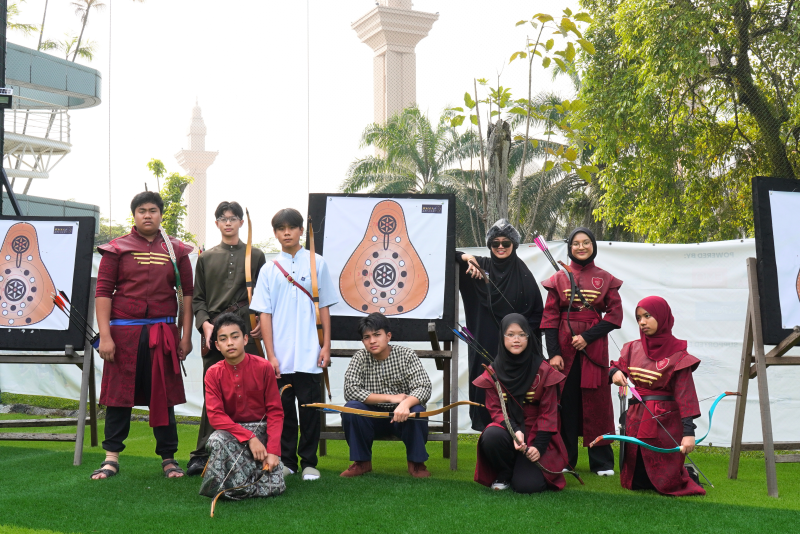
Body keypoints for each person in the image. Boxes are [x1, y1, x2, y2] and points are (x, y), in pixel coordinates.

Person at [91, 191, 193, 480]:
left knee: (163, 396)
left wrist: (185, 337)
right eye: (142, 211)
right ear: (134, 215)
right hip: (123, 336)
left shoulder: (177, 250)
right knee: (118, 397)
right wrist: (106, 336)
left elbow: (187, 294)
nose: (147, 215)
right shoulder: (116, 248)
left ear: (161, 214)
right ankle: (111, 458)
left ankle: (169, 459)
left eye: (153, 210)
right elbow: (103, 293)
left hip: (163, 334)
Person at [250, 208, 337, 481]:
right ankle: (287, 461)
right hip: (281, 355)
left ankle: (309, 462)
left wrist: (326, 346)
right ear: (275, 233)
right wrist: (271, 355)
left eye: (291, 227)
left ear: (301, 230)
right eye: (281, 228)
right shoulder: (268, 269)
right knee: (283, 411)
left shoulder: (317, 263)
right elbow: (265, 314)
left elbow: (324, 307)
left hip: (311, 351)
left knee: (310, 410)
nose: (286, 233)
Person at [187, 201, 267, 476]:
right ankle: (202, 453)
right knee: (214, 394)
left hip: (247, 331)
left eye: (233, 218)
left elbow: (263, 294)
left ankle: (257, 447)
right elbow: (198, 299)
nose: (229, 222)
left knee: (254, 390)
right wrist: (205, 325)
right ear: (217, 223)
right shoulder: (206, 257)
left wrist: (260, 320)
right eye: (223, 218)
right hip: (215, 334)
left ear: (241, 222)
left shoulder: (255, 255)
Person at [541, 227, 622, 476]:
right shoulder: (558, 278)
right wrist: (554, 353)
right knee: (566, 402)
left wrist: (587, 338)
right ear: (570, 247)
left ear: (593, 246)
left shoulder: (605, 278)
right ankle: (566, 459)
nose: (581, 247)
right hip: (564, 350)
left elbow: (615, 316)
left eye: (586, 242)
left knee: (598, 400)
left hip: (594, 348)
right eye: (576, 243)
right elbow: (550, 318)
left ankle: (602, 462)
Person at [610, 296, 705, 496]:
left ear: (662, 317)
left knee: (665, 483)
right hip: (636, 417)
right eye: (638, 318)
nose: (642, 322)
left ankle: (686, 472)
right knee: (635, 482)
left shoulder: (678, 354)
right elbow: (616, 367)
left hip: (665, 421)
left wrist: (688, 433)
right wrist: (615, 373)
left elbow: (686, 396)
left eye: (648, 316)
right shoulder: (632, 348)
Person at [456, 219, 544, 431]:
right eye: (495, 243)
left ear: (514, 245)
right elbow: (445, 254)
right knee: (486, 387)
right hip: (485, 341)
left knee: (515, 395)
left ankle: (518, 435)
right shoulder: (479, 266)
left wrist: (522, 338)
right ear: (489, 245)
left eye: (506, 243)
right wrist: (467, 258)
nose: (501, 247)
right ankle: (489, 435)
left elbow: (536, 313)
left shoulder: (523, 274)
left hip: (514, 346)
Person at [473, 313, 568, 493]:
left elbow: (549, 413)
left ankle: (522, 466)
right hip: (508, 430)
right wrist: (515, 430)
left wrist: (538, 447)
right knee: (491, 435)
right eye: (510, 334)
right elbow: (496, 410)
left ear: (529, 337)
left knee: (527, 486)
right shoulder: (493, 372)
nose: (516, 339)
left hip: (536, 432)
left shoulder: (544, 370)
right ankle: (505, 471)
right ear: (502, 337)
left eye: (521, 334)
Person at [199, 313, 285, 500]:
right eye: (223, 339)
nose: (230, 343)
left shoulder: (264, 367)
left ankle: (233, 487)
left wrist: (273, 451)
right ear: (217, 345)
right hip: (232, 434)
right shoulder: (213, 373)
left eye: (235, 336)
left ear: (245, 339)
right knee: (216, 440)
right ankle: (240, 485)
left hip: (262, 433)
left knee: (275, 487)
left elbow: (275, 413)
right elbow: (215, 416)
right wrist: (249, 438)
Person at [340, 313, 433, 478]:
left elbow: (423, 386)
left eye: (377, 335)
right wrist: (390, 397)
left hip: (402, 416)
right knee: (351, 408)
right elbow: (350, 390)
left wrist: (404, 404)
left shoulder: (406, 355)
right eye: (367, 337)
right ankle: (361, 462)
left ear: (388, 336)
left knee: (417, 411)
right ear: (363, 341)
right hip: (371, 417)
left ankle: (416, 463)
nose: (372, 341)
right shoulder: (359, 357)